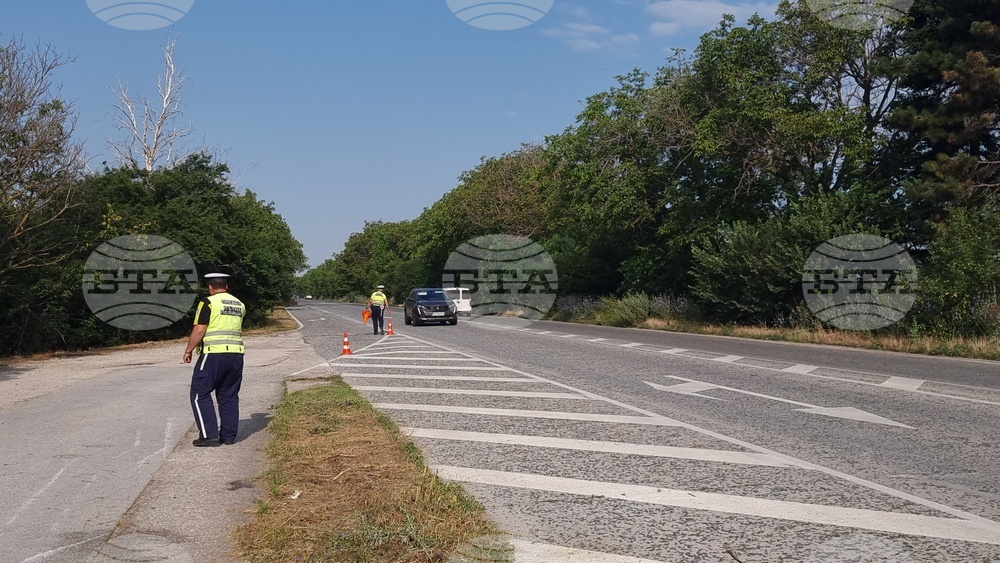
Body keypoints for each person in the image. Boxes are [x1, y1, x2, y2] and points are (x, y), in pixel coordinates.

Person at [182, 273, 246, 447]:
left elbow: (199, 329)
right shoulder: (239, 304)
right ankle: (229, 436)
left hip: (213, 354)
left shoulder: (208, 302)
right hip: (236, 355)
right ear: (227, 286)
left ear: (210, 287)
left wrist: (188, 350)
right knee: (229, 395)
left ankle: (208, 435)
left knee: (199, 393)